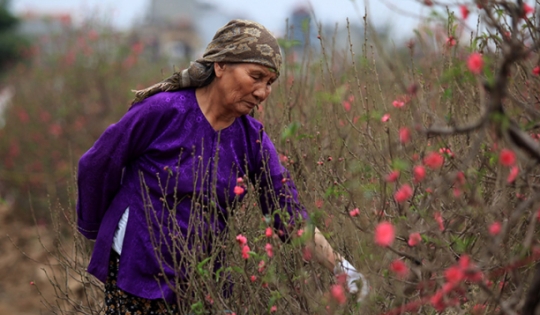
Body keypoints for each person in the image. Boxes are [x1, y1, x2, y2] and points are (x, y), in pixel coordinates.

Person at [77, 19, 368, 314]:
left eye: (269, 83)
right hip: (137, 265)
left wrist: (341, 267)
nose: (262, 91)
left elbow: (287, 212)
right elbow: (98, 163)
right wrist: (97, 229)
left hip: (199, 278)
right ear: (220, 66)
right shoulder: (164, 111)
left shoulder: (251, 140)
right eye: (255, 76)